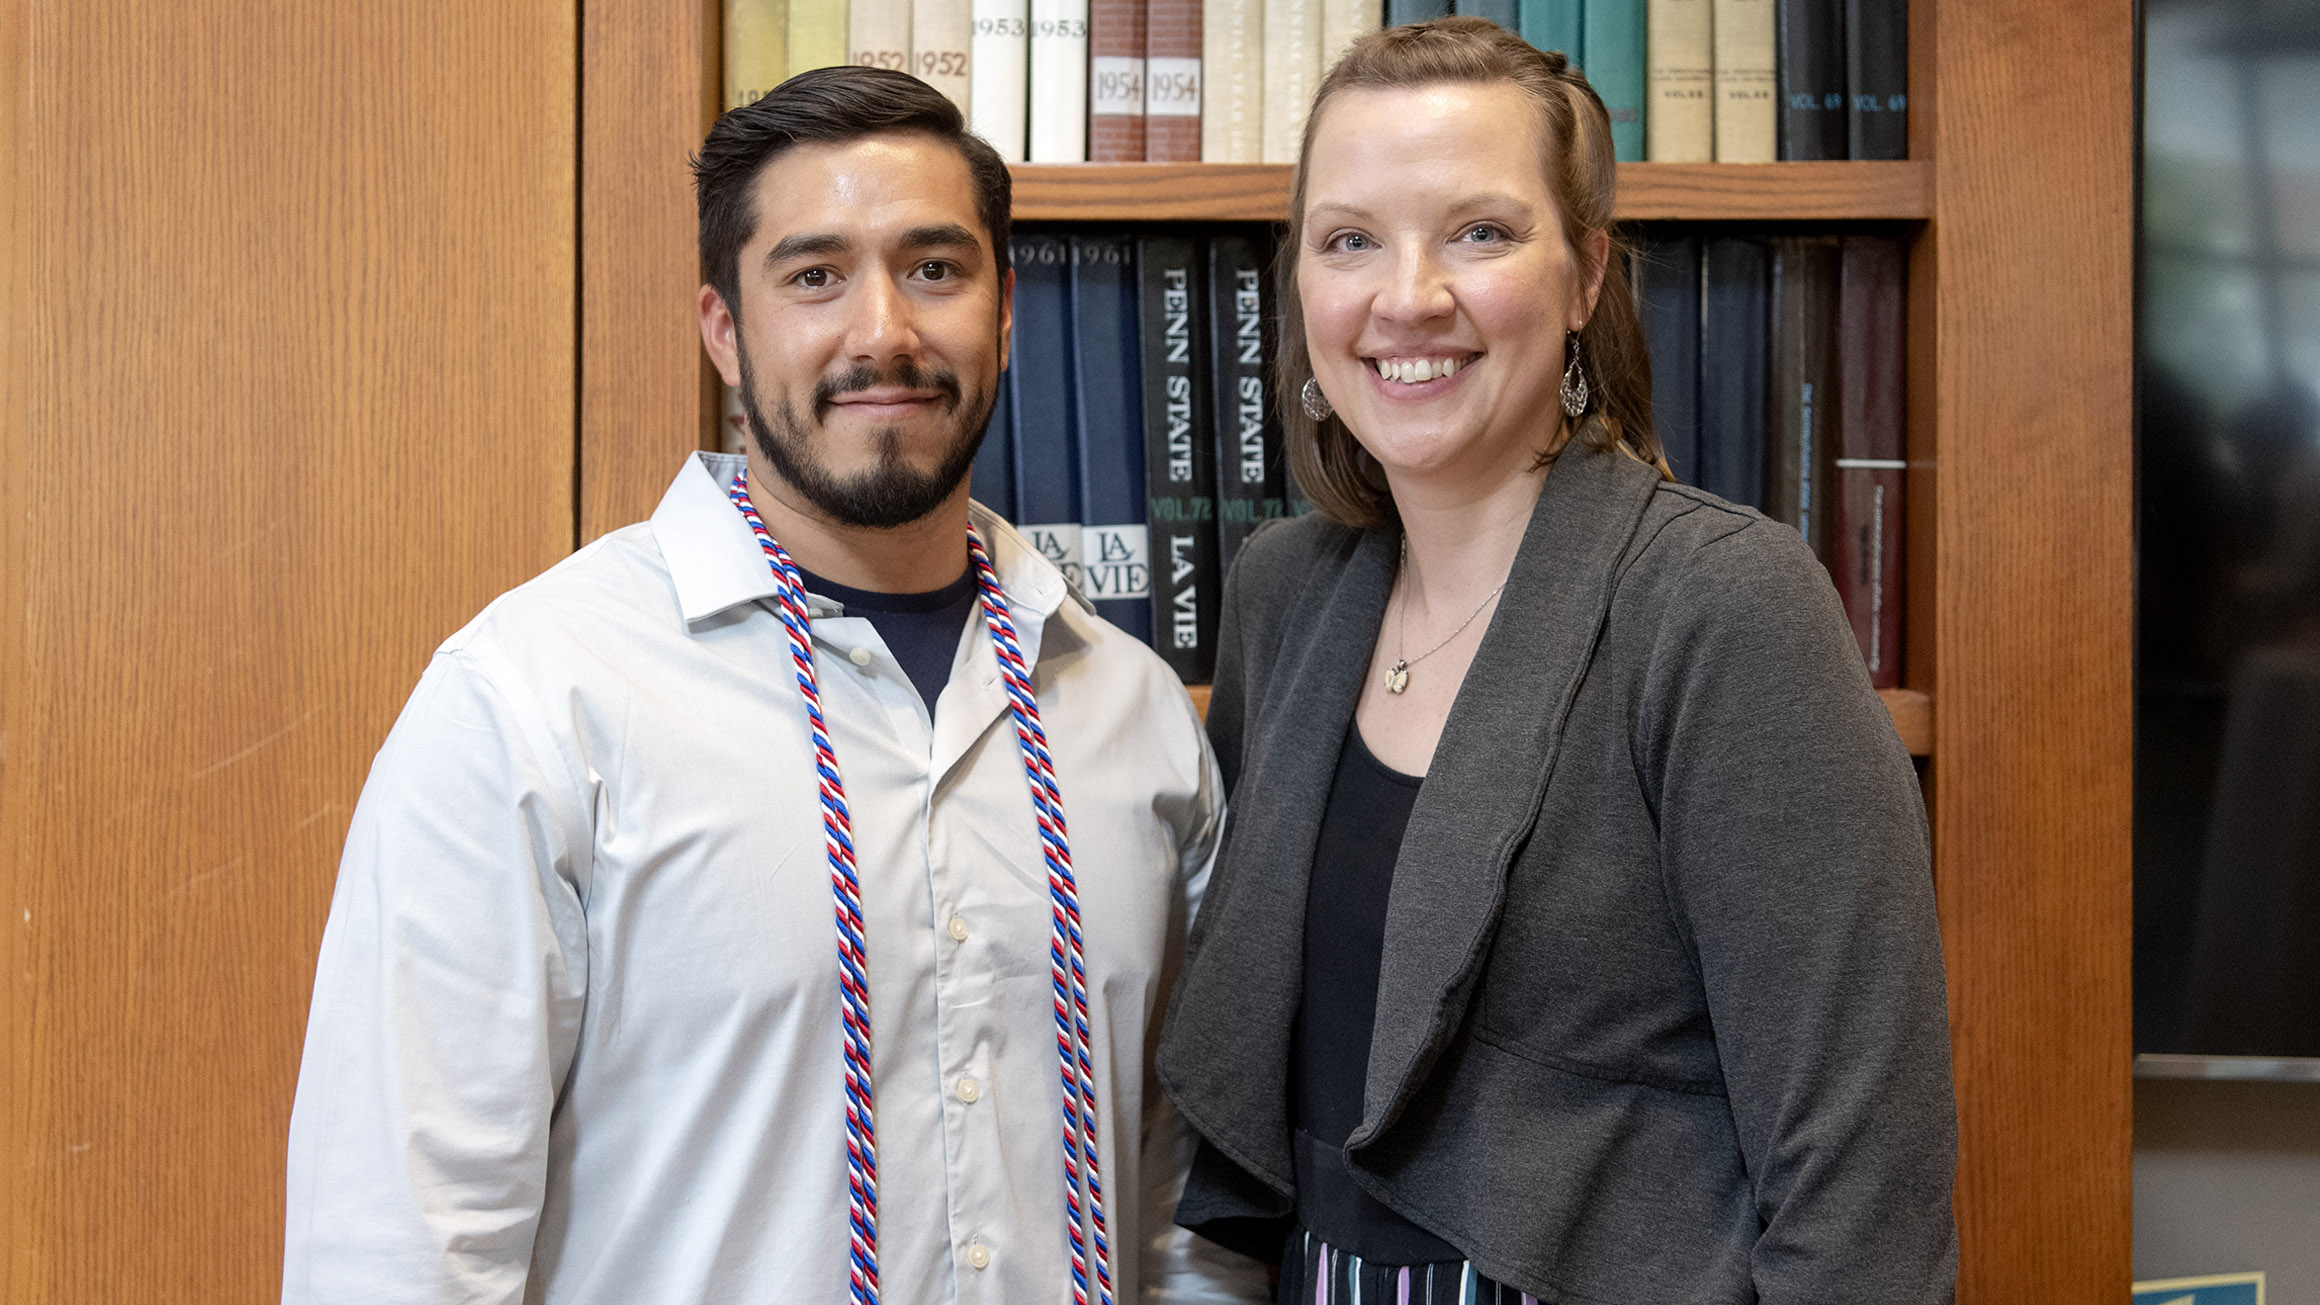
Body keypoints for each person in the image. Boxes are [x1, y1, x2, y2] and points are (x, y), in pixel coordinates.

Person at [284, 66, 1264, 1305]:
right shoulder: (534, 702)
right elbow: (395, 1251)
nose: (883, 332)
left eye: (935, 268)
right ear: (722, 331)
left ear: (1006, 313)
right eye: (814, 276)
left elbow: (1185, 1222)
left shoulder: (1132, 715)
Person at [1155, 19, 1957, 1304]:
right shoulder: (1282, 597)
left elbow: (1861, 1188)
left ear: (1586, 275)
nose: (1407, 297)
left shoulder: (1720, 610)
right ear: (1297, 283)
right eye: (1349, 238)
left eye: (1479, 232)